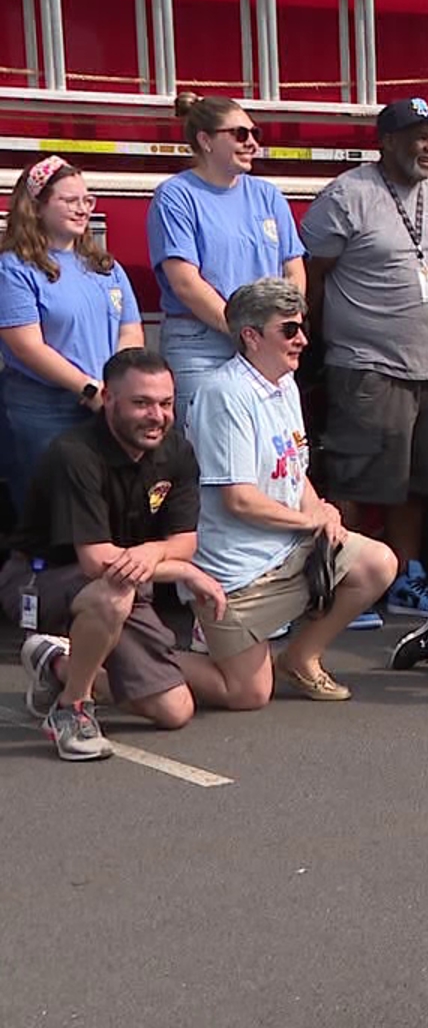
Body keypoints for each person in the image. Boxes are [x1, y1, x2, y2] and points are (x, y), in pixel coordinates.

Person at [0, 350, 228, 759]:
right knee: (111, 592)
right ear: (108, 399)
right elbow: (95, 560)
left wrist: (156, 552)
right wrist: (186, 574)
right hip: (39, 579)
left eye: (165, 403)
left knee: (175, 711)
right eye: (141, 403)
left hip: (122, 582)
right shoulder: (75, 454)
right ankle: (71, 711)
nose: (156, 416)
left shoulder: (175, 451)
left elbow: (184, 542)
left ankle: (57, 662)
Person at [184, 279, 399, 704]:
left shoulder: (284, 385)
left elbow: (295, 469)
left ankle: (300, 659)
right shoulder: (225, 394)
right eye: (288, 329)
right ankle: (120, 659)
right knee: (247, 694)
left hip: (287, 551)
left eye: (301, 328)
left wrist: (322, 510)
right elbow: (239, 498)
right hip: (239, 575)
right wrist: (309, 521)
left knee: (376, 563)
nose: (301, 339)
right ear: (250, 336)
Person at [299, 97, 428, 629]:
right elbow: (314, 275)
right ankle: (351, 583)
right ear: (386, 141)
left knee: (416, 485)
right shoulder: (348, 197)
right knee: (357, 480)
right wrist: (317, 346)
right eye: (419, 135)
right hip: (367, 365)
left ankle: (403, 581)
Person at [147, 93, 305, 429]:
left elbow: (294, 269)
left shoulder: (268, 195)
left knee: (277, 448)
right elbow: (186, 284)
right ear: (205, 140)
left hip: (266, 341)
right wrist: (247, 333)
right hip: (202, 344)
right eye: (239, 134)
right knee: (208, 448)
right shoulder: (176, 196)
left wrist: (279, 330)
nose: (252, 144)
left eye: (255, 134)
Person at [0, 155, 143, 512]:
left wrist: (118, 389)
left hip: (106, 405)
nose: (83, 209)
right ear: (36, 207)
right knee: (51, 518)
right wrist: (90, 388)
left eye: (87, 200)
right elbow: (27, 346)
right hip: (46, 410)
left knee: (105, 511)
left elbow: (130, 331)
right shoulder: (15, 268)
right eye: (70, 201)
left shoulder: (106, 267)